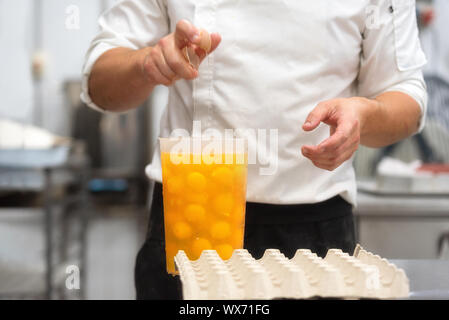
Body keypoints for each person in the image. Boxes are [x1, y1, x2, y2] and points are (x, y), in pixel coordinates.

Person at [81, 0, 428, 299]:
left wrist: (365, 117)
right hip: (190, 219)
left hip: (316, 229)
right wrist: (147, 64)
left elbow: (406, 96)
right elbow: (99, 82)